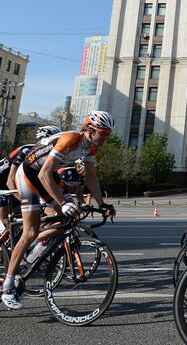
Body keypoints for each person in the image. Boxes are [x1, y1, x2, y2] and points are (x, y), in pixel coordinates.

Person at [1, 111, 116, 311]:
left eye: (108, 134)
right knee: (30, 231)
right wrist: (62, 201)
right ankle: (8, 286)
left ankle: (30, 257)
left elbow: (91, 177)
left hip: (48, 176)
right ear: (90, 129)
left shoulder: (91, 148)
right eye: (103, 132)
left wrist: (102, 203)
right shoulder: (71, 139)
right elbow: (44, 173)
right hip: (30, 174)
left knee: (65, 220)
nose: (105, 137)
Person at [0, 126, 61, 235]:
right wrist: (25, 201)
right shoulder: (26, 150)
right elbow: (10, 181)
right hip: (3, 184)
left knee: (35, 216)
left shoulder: (44, 157)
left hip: (14, 186)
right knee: (5, 220)